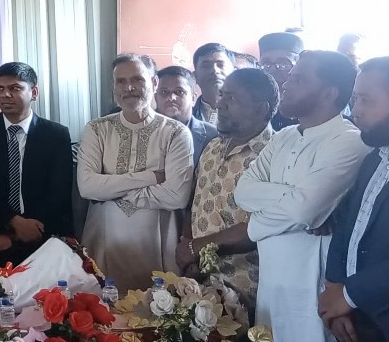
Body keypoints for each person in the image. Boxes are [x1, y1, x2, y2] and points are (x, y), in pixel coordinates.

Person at [234, 50, 370, 342]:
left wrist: (256, 226)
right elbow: (243, 190)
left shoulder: (349, 141)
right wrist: (298, 198)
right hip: (272, 284)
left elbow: (303, 212)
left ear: (328, 93)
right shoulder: (283, 137)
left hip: (313, 290)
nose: (286, 84)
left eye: (299, 79)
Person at [78, 54, 193, 292]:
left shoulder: (175, 133)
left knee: (159, 309)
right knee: (102, 309)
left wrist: (111, 190)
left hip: (158, 245)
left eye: (137, 80)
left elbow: (176, 197)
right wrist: (152, 177)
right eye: (120, 81)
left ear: (154, 82)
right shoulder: (97, 129)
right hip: (104, 243)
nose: (128, 88)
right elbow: (87, 187)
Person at [176, 69, 278, 314]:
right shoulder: (212, 147)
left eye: (231, 98)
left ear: (260, 109)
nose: (220, 103)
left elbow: (264, 225)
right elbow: (194, 201)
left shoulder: (275, 155)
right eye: (222, 95)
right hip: (198, 282)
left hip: (246, 291)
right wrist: (187, 245)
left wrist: (197, 248)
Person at [0, 63, 73, 276]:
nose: (6, 95)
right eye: (0, 89)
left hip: (43, 238)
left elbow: (59, 192)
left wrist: (16, 237)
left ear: (34, 92)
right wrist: (12, 222)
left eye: (15, 88)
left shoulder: (56, 135)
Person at [320, 57, 389, 342]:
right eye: (355, 99)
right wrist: (336, 292)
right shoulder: (375, 159)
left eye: (366, 101)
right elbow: (347, 227)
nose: (355, 110)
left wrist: (348, 295)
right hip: (358, 317)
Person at [155, 66, 218, 170]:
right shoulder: (143, 131)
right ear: (155, 97)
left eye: (179, 92)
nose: (171, 98)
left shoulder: (213, 136)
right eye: (164, 92)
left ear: (193, 98)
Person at [258, 32, 304, 131]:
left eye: (283, 63)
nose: (273, 70)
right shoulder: (252, 103)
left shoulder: (310, 104)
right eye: (266, 64)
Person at [191, 43, 234, 125]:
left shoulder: (249, 112)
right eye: (206, 66)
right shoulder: (185, 117)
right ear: (195, 76)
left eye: (220, 65)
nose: (215, 70)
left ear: (234, 72)